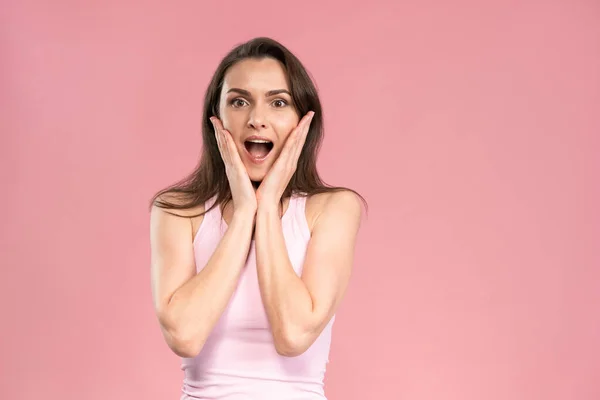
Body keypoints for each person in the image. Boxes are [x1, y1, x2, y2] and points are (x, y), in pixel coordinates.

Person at [149, 36, 366, 399]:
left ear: (303, 121)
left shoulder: (333, 209)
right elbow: (185, 336)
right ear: (215, 119)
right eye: (239, 101)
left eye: (278, 102)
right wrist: (244, 210)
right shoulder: (177, 210)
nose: (257, 120)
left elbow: (294, 335)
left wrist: (265, 210)